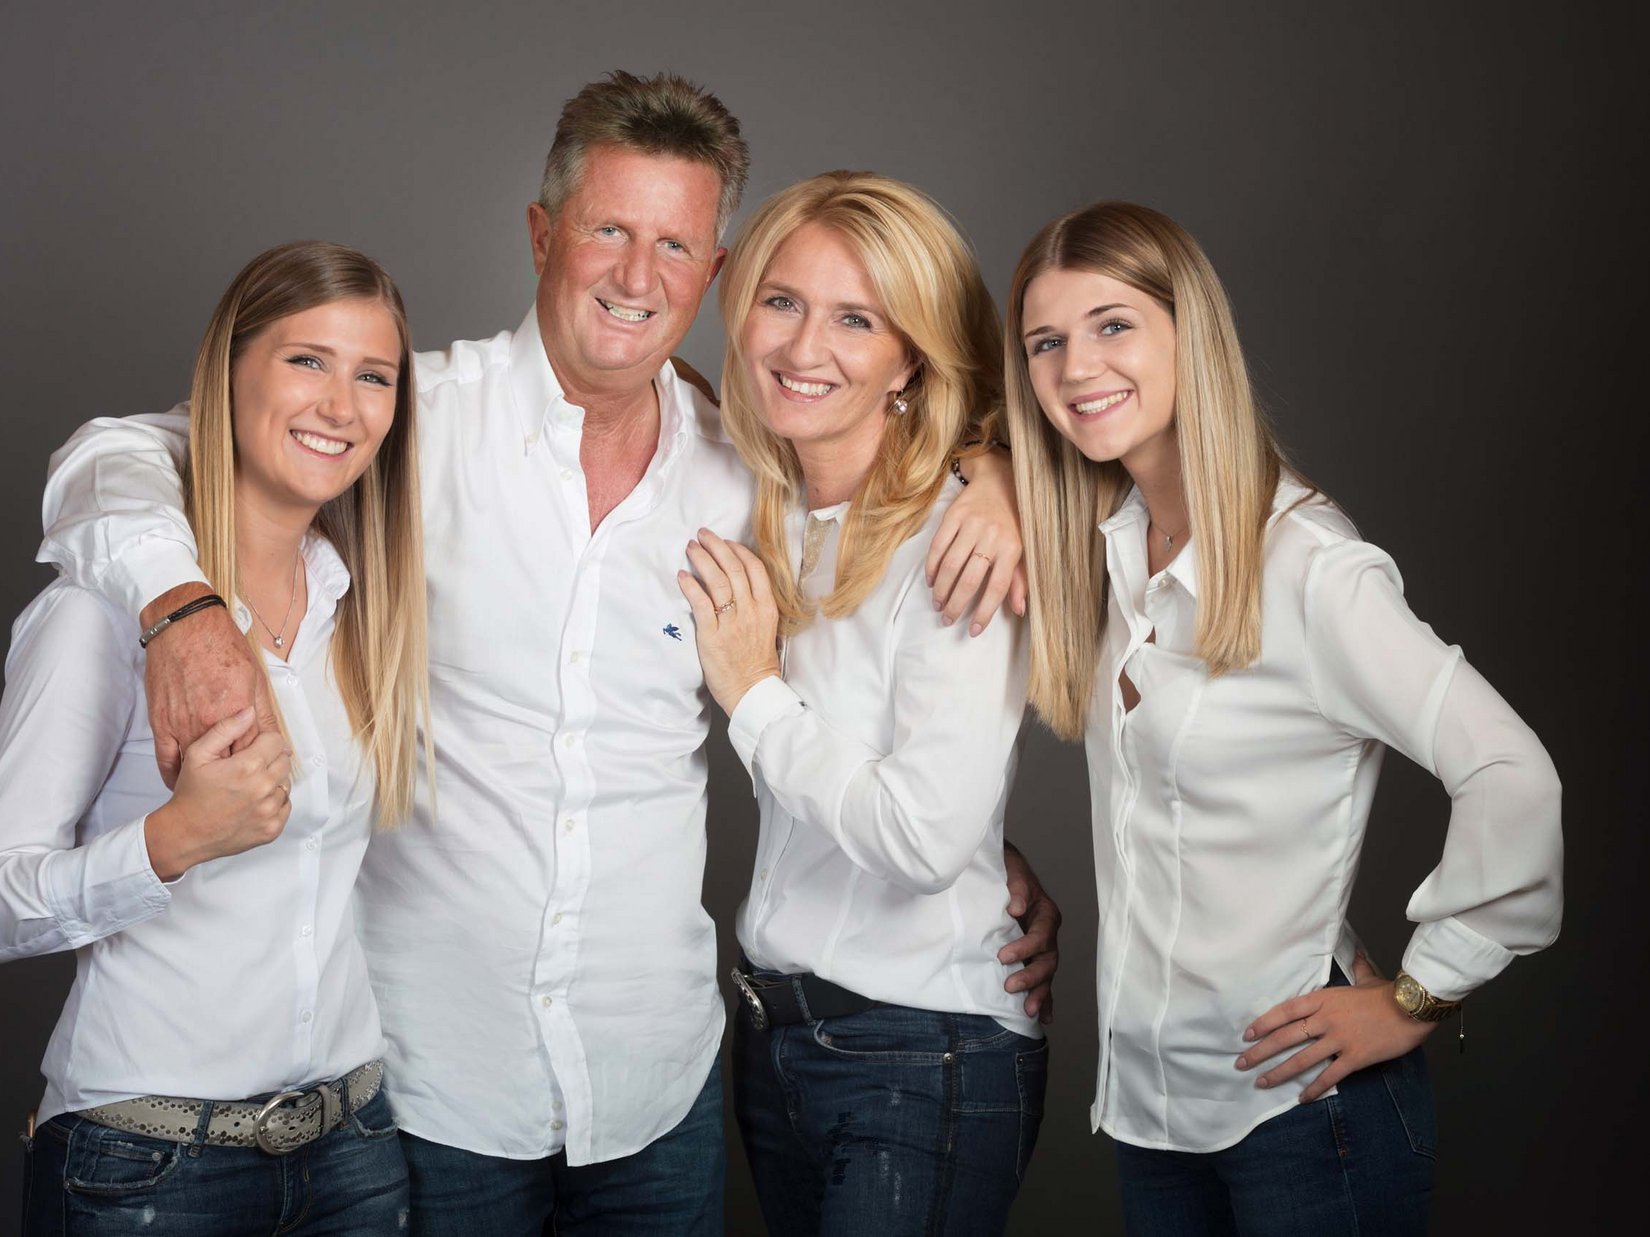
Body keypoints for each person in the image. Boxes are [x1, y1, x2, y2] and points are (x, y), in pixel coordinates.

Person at [35, 72, 1059, 1235]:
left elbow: (871, 612)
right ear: (541, 233)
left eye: (674, 244)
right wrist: (179, 607)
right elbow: (113, 452)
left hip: (656, 1090)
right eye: (607, 231)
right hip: (433, 1086)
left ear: (713, 273)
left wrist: (1001, 474)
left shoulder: (749, 475)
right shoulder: (409, 424)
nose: (637, 278)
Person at [1003, 201, 1562, 1235]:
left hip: (1306, 1121)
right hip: (1150, 1115)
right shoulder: (1110, 543)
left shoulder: (1309, 569)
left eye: (1113, 324)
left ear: (1189, 334)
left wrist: (1420, 996)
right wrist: (989, 473)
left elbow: (1512, 773)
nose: (1078, 365)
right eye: (1047, 341)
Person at [4, 240, 428, 1234]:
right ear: (228, 370)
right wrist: (175, 838)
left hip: (354, 1149)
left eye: (374, 376)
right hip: (146, 1164)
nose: (341, 404)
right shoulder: (103, 616)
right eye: (306, 360)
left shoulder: (362, 612)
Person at [679, 171, 1046, 1236]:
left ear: (911, 356)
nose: (803, 348)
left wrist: (753, 695)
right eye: (781, 301)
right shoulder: (757, 501)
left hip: (922, 1051)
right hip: (776, 1038)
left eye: (856, 319)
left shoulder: (962, 542)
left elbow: (926, 839)